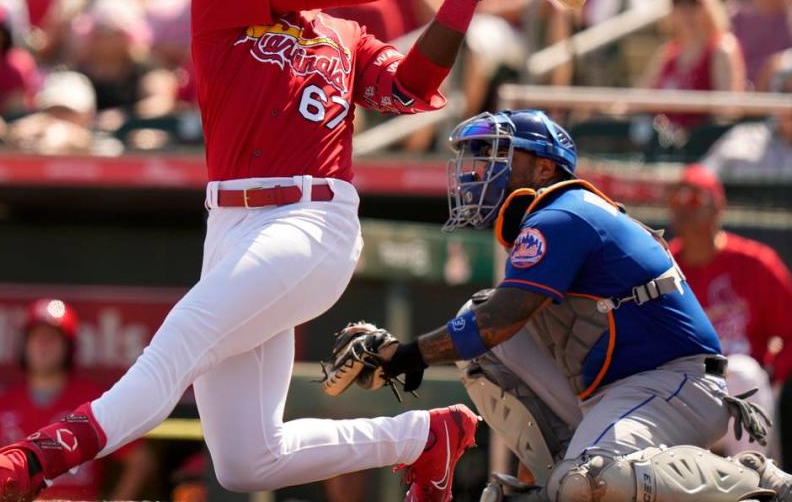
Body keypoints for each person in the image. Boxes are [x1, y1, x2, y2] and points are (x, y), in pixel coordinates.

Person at [0, 0, 536, 501]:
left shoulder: (346, 37)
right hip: (229, 225)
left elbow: (413, 85)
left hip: (312, 219)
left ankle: (25, 466)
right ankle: (422, 437)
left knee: (178, 345)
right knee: (247, 461)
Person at [327, 109, 792, 501]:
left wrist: (407, 354)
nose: (479, 167)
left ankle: (750, 478)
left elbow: (502, 317)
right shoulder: (544, 219)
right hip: (614, 391)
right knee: (480, 341)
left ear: (545, 169)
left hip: (675, 382)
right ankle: (563, 469)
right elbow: (488, 327)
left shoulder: (565, 213)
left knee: (586, 482)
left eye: (499, 154)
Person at [0, 299, 151, 500]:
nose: (43, 346)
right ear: (24, 345)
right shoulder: (0, 403)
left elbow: (140, 460)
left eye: (52, 338)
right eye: (37, 338)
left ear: (68, 347)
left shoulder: (92, 399)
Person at [667, 164, 792, 454]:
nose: (685, 208)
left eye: (695, 199)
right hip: (684, 383)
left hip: (742, 385)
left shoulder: (755, 263)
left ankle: (753, 483)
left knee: (743, 371)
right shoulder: (662, 266)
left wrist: (774, 373)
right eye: (677, 199)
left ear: (718, 207)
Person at [641, 0, 746, 129]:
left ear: (710, 6)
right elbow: (637, 101)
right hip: (662, 147)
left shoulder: (721, 48)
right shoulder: (667, 52)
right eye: (679, 2)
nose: (686, 11)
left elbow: (726, 114)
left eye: (693, 2)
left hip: (703, 149)